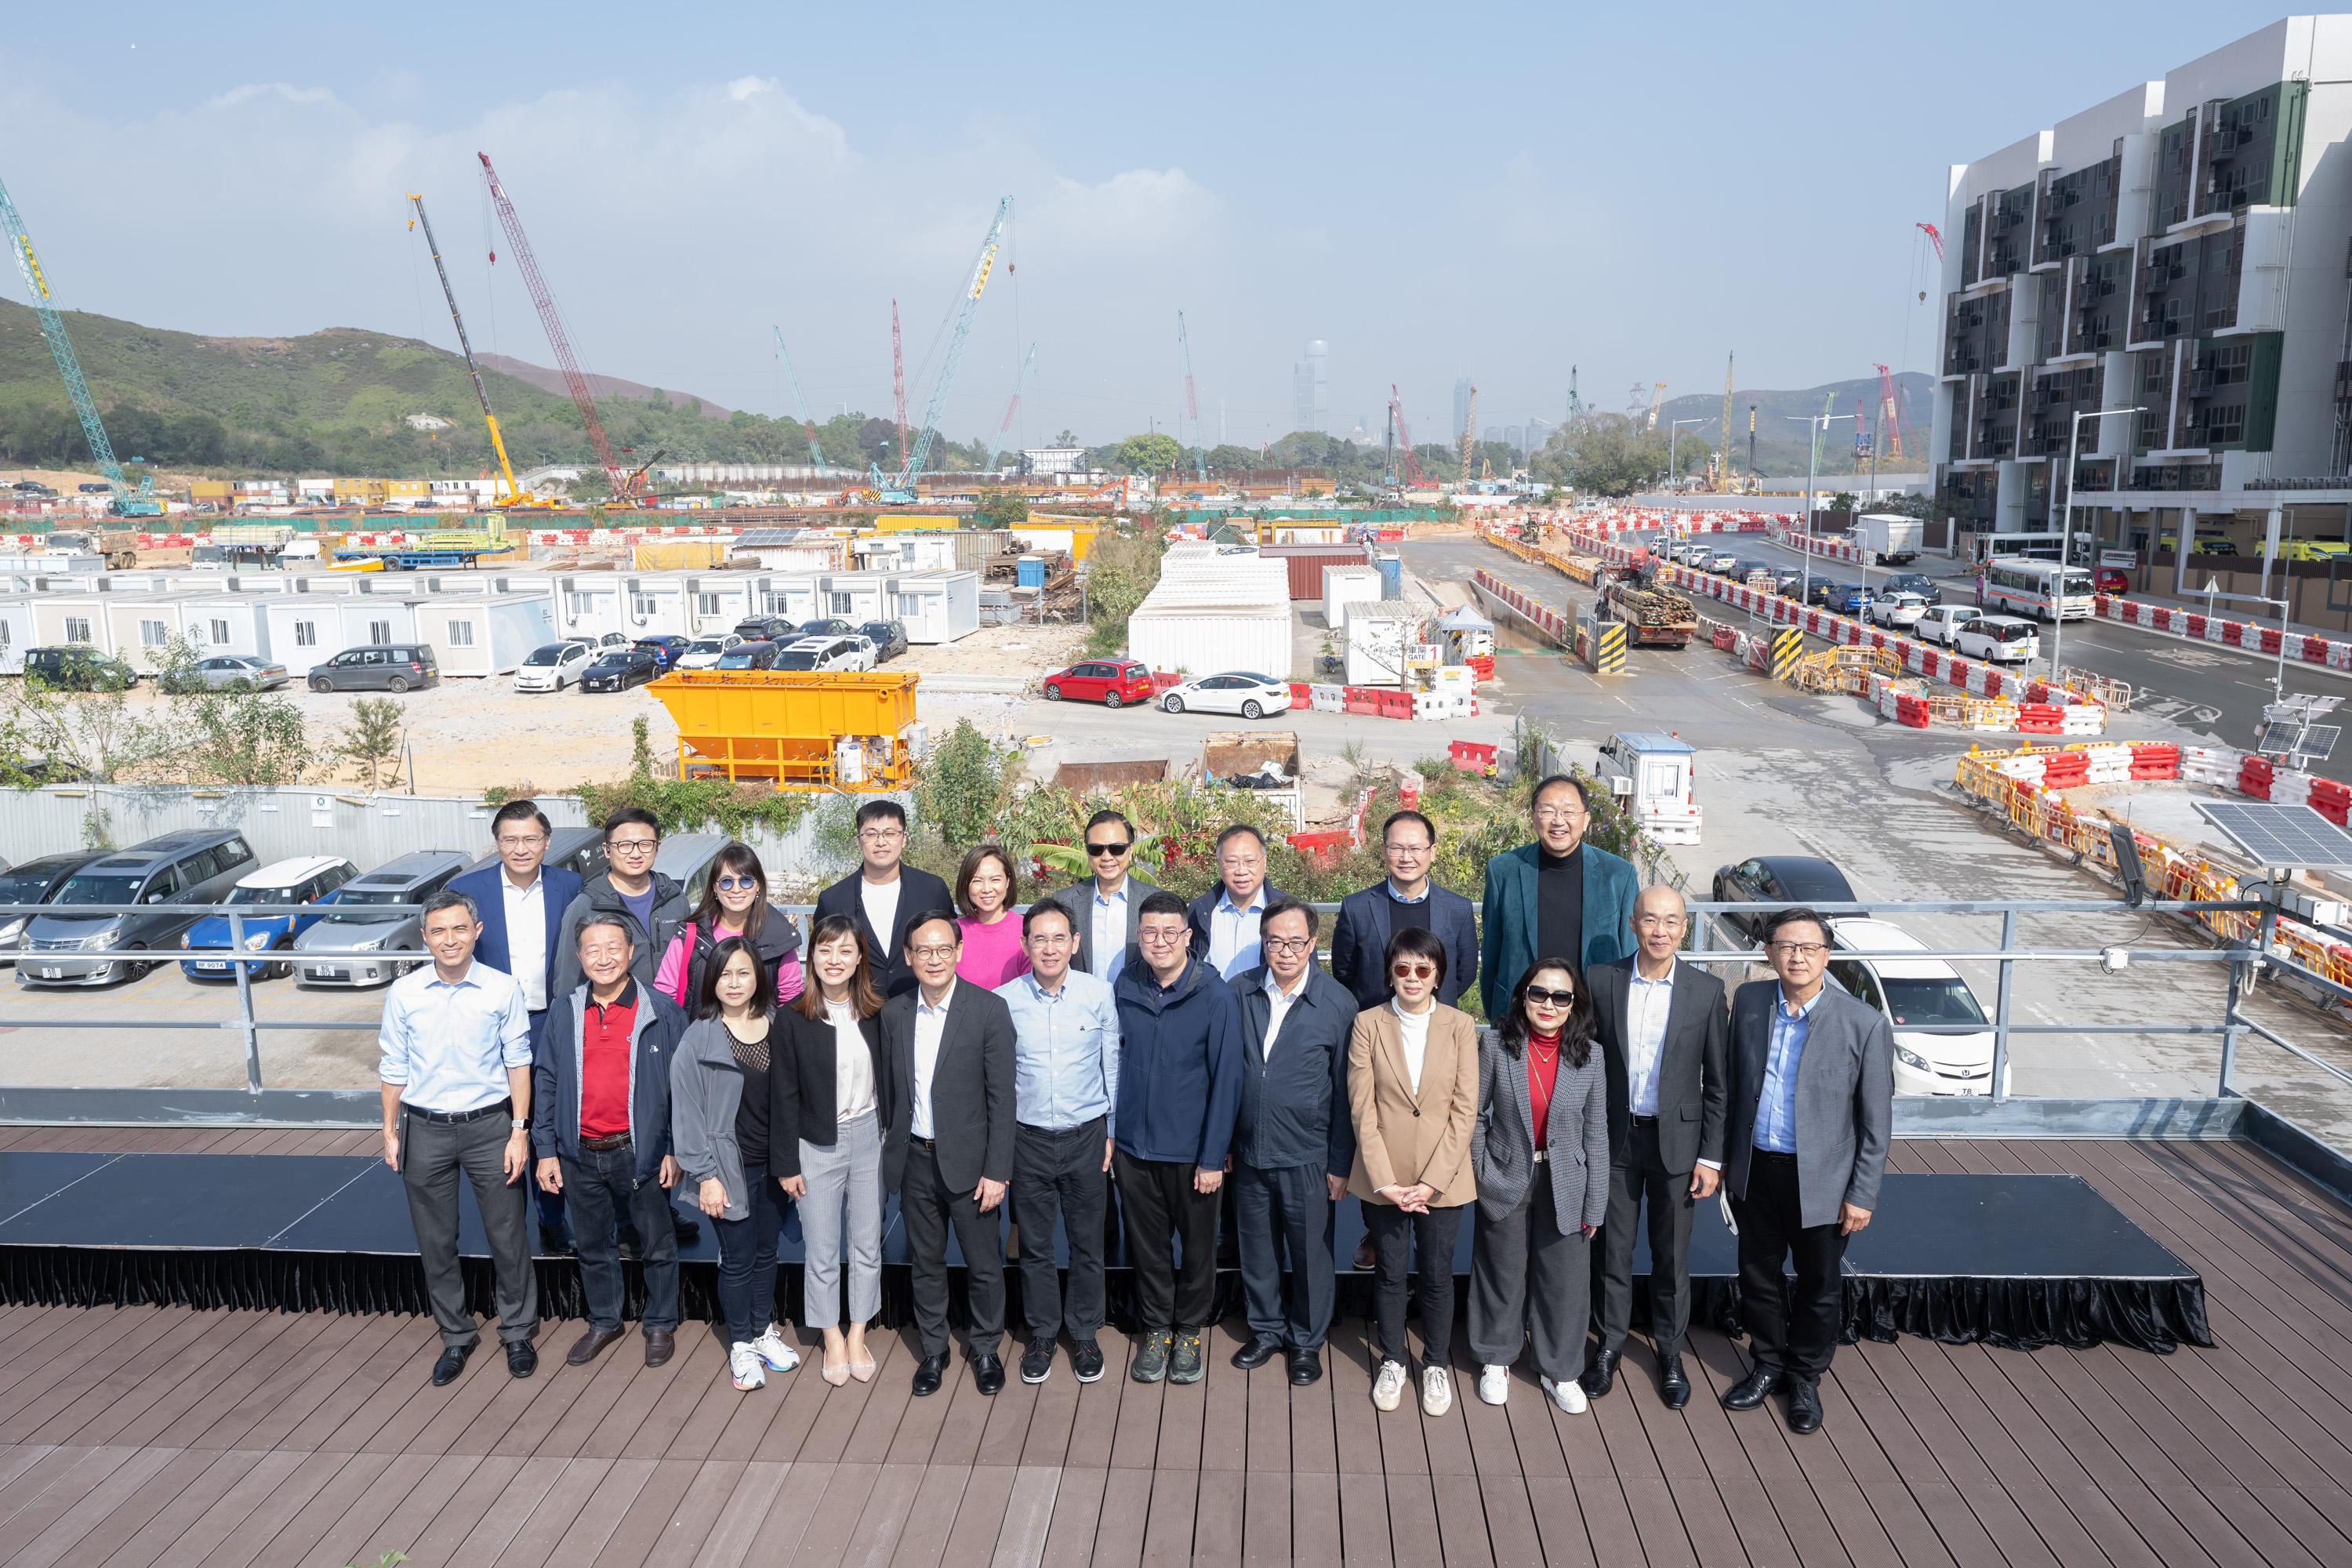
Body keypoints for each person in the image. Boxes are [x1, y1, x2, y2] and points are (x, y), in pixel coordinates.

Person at [1719, 906, 1894, 1436]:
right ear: (1769, 952)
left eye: (1808, 947)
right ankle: (1768, 1363)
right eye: (1786, 946)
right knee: (1758, 1276)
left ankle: (1804, 1377)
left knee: (1819, 1283)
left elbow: (1876, 1122)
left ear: (1827, 955)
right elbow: (1730, 1086)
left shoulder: (1863, 1024)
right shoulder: (1750, 1002)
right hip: (1757, 1169)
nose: (1796, 956)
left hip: (1823, 1179)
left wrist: (1862, 1194)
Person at [379, 888, 539, 1385]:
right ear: (424, 937)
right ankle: (456, 1335)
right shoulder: (403, 994)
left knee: (508, 1236)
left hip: (491, 1127)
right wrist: (389, 1129)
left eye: (459, 928)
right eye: (439, 931)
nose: (450, 940)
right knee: (435, 1240)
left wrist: (519, 1131)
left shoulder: (502, 989)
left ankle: (517, 1332)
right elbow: (393, 1064)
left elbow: (519, 1062)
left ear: (477, 931)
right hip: (423, 1127)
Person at [1584, 885, 1728, 1408]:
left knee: (1671, 1256)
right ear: (1633, 924)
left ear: (1684, 927)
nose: (1660, 930)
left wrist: (1712, 1156)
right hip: (1616, 1141)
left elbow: (1719, 1081)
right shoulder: (1601, 981)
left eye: (1671, 920)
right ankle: (1609, 1347)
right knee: (1611, 1253)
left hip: (1679, 1147)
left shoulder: (1707, 991)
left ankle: (1670, 1350)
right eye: (1650, 919)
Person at [532, 913, 688, 1369]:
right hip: (579, 1153)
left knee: (657, 1242)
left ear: (631, 952)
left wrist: (675, 1147)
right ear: (579, 957)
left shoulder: (661, 1011)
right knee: (594, 1243)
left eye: (613, 948)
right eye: (593, 950)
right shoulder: (565, 1009)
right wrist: (546, 1150)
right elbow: (546, 1081)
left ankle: (660, 1322)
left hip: (640, 1152)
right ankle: (605, 1319)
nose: (604, 958)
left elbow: (682, 1087)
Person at [880, 909, 1018, 1397]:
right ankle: (934, 1350)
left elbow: (1003, 1099)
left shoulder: (988, 1010)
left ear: (959, 952)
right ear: (908, 956)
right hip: (915, 1160)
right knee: (926, 1263)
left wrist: (998, 1170)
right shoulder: (894, 1014)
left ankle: (985, 1348)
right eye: (924, 950)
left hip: (974, 1165)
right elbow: (892, 1092)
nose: (934, 959)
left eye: (943, 949)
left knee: (984, 1265)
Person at [1348, 924, 1480, 1417]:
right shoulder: (1368, 1024)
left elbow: (1464, 1111)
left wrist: (1431, 1182)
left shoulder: (1461, 1027)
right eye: (1402, 967)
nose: (1412, 977)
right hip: (1383, 1178)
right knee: (1388, 1273)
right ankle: (1393, 1360)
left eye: (1422, 968)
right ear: (1390, 972)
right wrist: (1387, 1182)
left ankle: (1437, 1363)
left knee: (1437, 1275)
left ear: (1438, 974)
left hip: (1442, 1180)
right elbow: (1362, 1108)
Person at [1468, 959, 1610, 1413]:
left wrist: (1596, 1202)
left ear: (1574, 1004)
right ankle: (1496, 1357)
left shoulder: (1591, 1055)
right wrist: (1481, 1171)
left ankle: (1559, 1368)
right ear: (1523, 996)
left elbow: (1596, 1131)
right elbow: (1476, 1115)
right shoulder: (1495, 1045)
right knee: (1500, 1270)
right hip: (1506, 1173)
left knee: (1565, 1281)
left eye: (1561, 996)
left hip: (1567, 1179)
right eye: (1539, 993)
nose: (1548, 1004)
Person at [1114, 891, 1243, 1385]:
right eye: (1150, 932)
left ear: (1189, 936)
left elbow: (1227, 1079)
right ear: (1139, 936)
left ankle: (1188, 1329)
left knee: (1196, 1251)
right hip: (1133, 1148)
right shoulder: (1127, 984)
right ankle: (1155, 1328)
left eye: (1171, 932)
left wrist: (1213, 1157)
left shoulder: (1215, 995)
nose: (1160, 941)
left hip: (1193, 1155)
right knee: (1147, 1249)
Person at [447, 798, 583, 1253]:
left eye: (530, 839)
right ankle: (509, 1223)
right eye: (510, 839)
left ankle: (552, 1216)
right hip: (490, 1025)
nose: (520, 848)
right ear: (497, 843)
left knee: (551, 1115)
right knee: (504, 1122)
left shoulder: (570, 886)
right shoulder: (469, 889)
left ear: (546, 842)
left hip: (551, 1019)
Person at [1229, 897, 1355, 1386]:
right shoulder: (1239, 992)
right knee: (1256, 1248)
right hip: (1250, 1149)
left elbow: (1346, 1093)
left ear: (1313, 943)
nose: (1284, 951)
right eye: (1275, 941)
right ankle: (1265, 1331)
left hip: (1309, 1152)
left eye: (1295, 942)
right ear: (1263, 943)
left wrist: (1340, 1163)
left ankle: (1306, 1341)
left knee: (1310, 1254)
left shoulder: (1337, 1004)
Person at [670, 936, 802, 1392]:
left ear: (758, 977)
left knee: (769, 1252)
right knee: (739, 1258)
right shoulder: (699, 1036)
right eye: (725, 973)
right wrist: (704, 1176)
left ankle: (763, 1330)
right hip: (728, 1168)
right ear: (712, 980)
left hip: (775, 1163)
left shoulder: (780, 1024)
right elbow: (685, 1113)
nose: (734, 982)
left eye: (744, 972)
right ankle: (741, 1343)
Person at [997, 900, 1120, 1386]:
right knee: (1036, 1246)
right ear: (1025, 945)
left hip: (1087, 1135)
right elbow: (999, 1080)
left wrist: (1112, 1130)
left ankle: (1085, 1330)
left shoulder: (1098, 994)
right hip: (1027, 1139)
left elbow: (1113, 1066)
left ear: (1075, 943)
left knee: (1089, 1243)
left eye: (1058, 938)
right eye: (1039, 939)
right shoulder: (1004, 1000)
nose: (1049, 948)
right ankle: (1044, 1332)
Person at [773, 915, 887, 1385]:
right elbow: (782, 1095)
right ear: (812, 957)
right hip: (814, 1143)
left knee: (866, 1241)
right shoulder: (793, 1017)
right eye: (825, 950)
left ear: (859, 957)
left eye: (845, 950)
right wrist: (786, 1163)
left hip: (869, 1137)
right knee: (821, 1247)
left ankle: (858, 1330)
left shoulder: (877, 1012)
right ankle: (832, 1336)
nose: (834, 960)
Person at [1479, 776, 1639, 1020]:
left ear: (1586, 820)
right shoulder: (1504, 870)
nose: (1558, 821)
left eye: (1569, 811)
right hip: (1521, 1019)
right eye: (1547, 811)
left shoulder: (1618, 875)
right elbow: (1491, 953)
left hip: (1592, 1021)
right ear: (1534, 817)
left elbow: (1630, 953)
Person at [1330, 810, 1478, 1011]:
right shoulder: (1357, 907)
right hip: (1376, 1025)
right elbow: (1344, 972)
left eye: (1415, 849)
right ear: (1384, 851)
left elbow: (1465, 973)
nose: (1406, 858)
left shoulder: (1457, 908)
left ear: (1432, 852)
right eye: (1397, 848)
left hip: (1437, 1024)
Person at [815, 800, 953, 999]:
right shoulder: (833, 899)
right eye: (871, 834)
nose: (881, 842)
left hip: (921, 1006)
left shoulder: (932, 889)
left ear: (904, 838)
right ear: (858, 840)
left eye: (890, 833)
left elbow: (949, 943)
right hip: (858, 1010)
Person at [552, 808, 690, 998]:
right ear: (607, 850)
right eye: (624, 845)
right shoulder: (586, 906)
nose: (635, 854)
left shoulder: (674, 898)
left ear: (658, 847)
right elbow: (568, 979)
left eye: (645, 844)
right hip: (612, 1020)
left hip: (672, 1016)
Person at [652, 841, 805, 1011]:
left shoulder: (779, 937)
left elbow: (791, 999)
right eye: (726, 882)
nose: (736, 889)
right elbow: (665, 996)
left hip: (762, 1036)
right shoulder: (690, 936)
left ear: (758, 886)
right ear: (714, 888)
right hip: (698, 1036)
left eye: (746, 881)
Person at [1046, 808, 1164, 984]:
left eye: (1117, 849)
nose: (1107, 857)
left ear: (1130, 849)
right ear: (1087, 852)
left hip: (1138, 1008)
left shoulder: (1155, 901)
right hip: (1083, 1007)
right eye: (1096, 849)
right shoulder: (1064, 902)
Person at [1185, 824, 1287, 981]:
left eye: (1250, 861)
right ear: (1219, 863)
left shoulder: (1287, 911)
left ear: (1264, 862)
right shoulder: (1199, 910)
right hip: (1213, 1004)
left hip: (1266, 1004)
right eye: (1232, 862)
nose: (1241, 871)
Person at [955, 844, 1032, 988]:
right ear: (966, 885)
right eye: (977, 881)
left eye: (995, 880)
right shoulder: (953, 932)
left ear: (1008, 881)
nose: (986, 889)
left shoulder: (1027, 930)